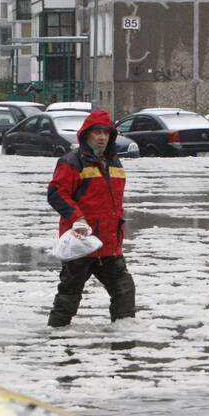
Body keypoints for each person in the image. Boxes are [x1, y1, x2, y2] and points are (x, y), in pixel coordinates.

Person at [46, 109, 135, 327]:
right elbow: (56, 193)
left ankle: (124, 335)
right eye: (96, 132)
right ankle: (57, 336)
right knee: (69, 295)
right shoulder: (71, 162)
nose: (102, 137)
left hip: (109, 246)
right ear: (86, 134)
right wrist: (77, 218)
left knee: (124, 291)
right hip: (81, 244)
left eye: (106, 133)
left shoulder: (114, 163)